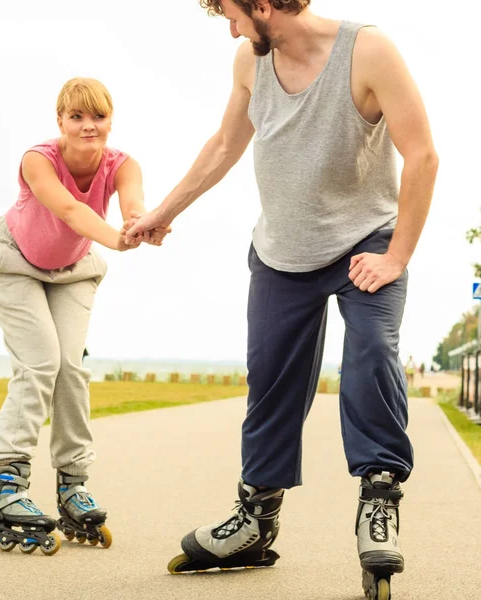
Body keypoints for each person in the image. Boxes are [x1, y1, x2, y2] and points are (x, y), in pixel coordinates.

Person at [126, 1, 438, 597]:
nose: (232, 29)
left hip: (365, 243)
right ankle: (255, 519)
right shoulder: (250, 60)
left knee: (371, 354)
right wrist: (162, 214)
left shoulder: (368, 51)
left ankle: (379, 501)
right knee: (269, 379)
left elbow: (423, 154)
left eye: (232, 15)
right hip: (282, 251)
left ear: (263, 4)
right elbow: (225, 144)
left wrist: (397, 256)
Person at [0, 78, 168, 556]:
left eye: (96, 116)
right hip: (14, 263)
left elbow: (132, 199)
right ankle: (9, 487)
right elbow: (71, 210)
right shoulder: (37, 159)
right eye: (76, 117)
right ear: (60, 122)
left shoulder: (122, 163)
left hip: (72, 270)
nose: (87, 125)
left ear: (109, 121)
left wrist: (139, 224)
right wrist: (118, 241)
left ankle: (72, 484)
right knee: (39, 364)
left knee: (71, 369)